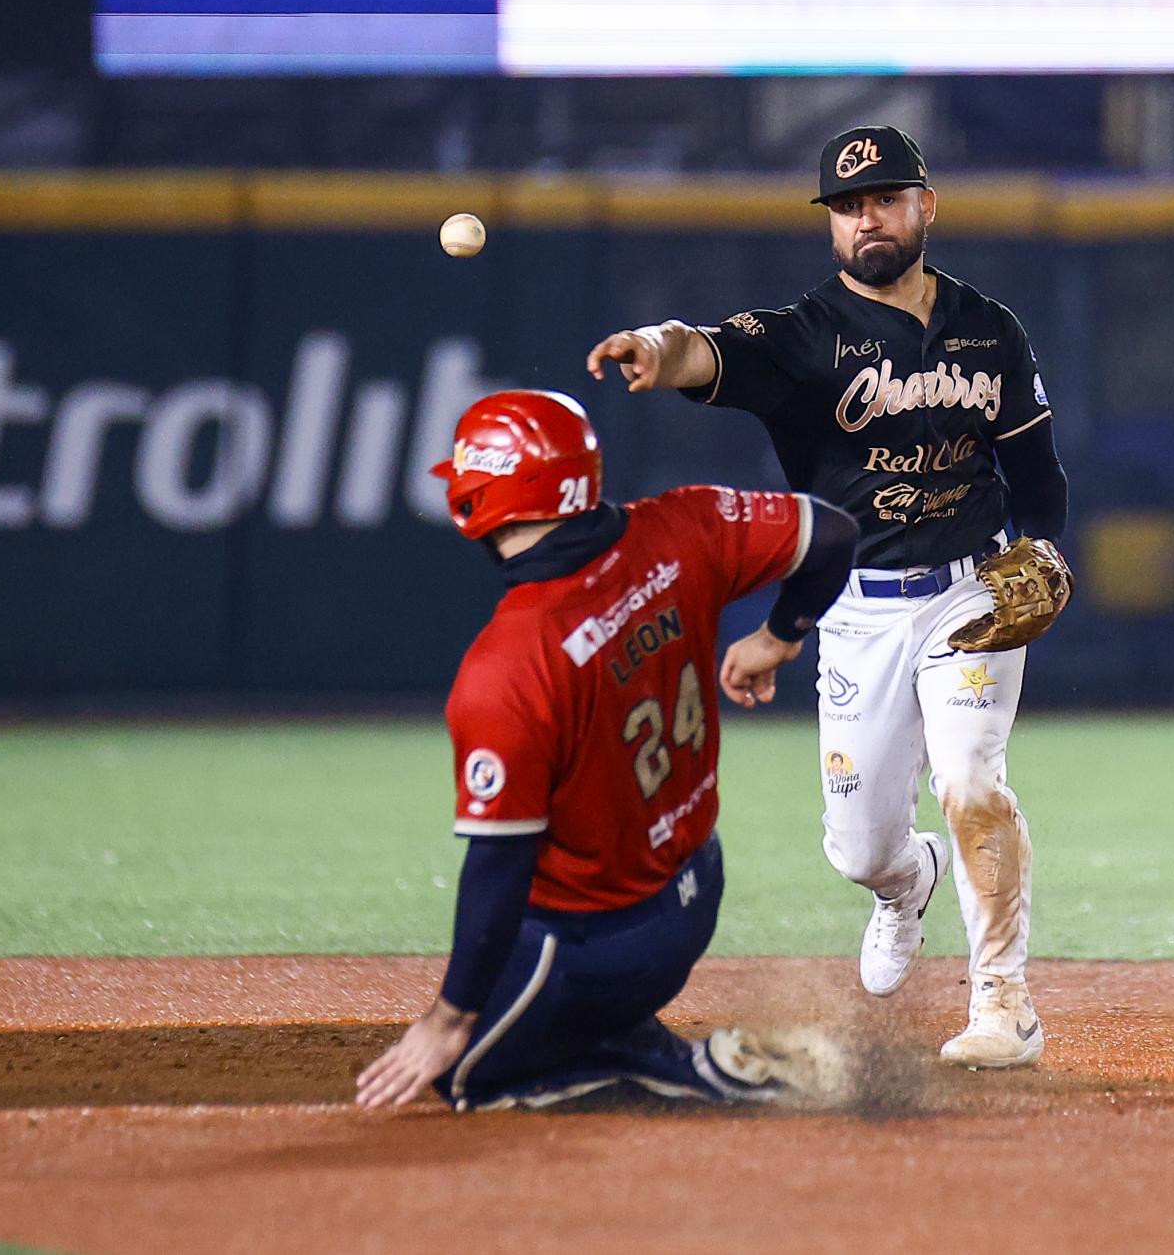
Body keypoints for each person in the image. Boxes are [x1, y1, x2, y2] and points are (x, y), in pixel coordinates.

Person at [584, 125, 1071, 1069]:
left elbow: (1034, 465)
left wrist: (1045, 547)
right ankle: (906, 883)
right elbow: (705, 349)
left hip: (973, 592)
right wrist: (653, 344)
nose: (866, 220)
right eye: (847, 207)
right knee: (858, 848)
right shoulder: (805, 339)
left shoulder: (991, 328)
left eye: (885, 198)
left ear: (925, 205)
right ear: (831, 226)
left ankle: (1005, 1002)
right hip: (857, 609)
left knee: (973, 781)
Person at [356, 388, 857, 1111]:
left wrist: (449, 1019)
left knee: (465, 1074)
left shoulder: (508, 664)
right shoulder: (686, 524)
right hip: (698, 887)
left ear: (483, 498)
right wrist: (780, 636)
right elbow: (833, 533)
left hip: (598, 943)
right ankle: (619, 1028)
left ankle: (680, 1069)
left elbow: (498, 864)